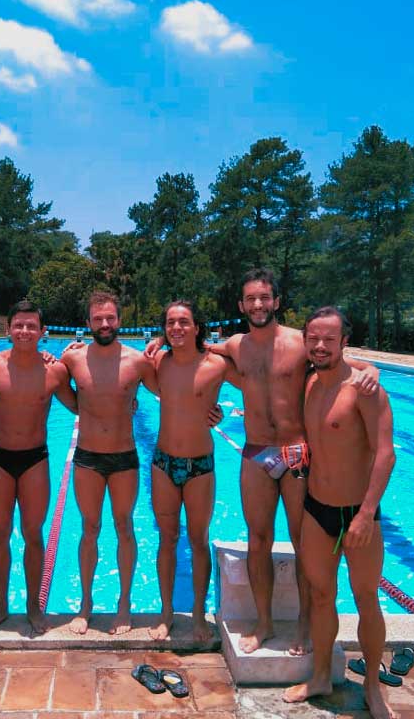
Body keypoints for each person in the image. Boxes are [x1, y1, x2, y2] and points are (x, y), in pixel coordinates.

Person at [145, 269, 378, 655]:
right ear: (241, 305)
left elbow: (342, 364)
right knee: (258, 540)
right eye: (250, 298)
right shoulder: (236, 346)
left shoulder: (301, 343)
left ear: (276, 302)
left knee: (304, 543)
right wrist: (161, 338)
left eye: (264, 297)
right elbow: (194, 350)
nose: (257, 304)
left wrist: (373, 370)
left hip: (296, 453)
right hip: (254, 453)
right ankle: (264, 623)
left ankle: (305, 626)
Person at [284, 307, 396, 719]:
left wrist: (367, 514)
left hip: (357, 513)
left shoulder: (364, 390)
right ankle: (319, 678)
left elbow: (386, 455)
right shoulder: (311, 383)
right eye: (313, 338)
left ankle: (372, 688)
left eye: (329, 339)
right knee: (319, 595)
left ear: (345, 341)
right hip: (316, 509)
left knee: (367, 598)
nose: (319, 345)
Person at [0, 300, 77, 635]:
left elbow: (83, 405)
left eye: (32, 326)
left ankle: (32, 606)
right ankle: (0, 606)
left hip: (35, 460)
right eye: (19, 325)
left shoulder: (55, 371)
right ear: (10, 329)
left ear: (43, 333)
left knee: (33, 534)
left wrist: (126, 400)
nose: (25, 331)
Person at [60, 291, 159, 635]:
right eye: (98, 319)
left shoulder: (137, 361)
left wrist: (210, 408)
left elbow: (174, 390)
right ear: (87, 323)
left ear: (119, 320)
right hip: (87, 458)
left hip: (124, 458)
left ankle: (124, 603)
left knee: (124, 527)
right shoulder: (73, 360)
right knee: (89, 529)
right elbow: (55, 385)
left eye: (110, 318)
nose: (104, 324)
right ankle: (85, 604)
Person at [149, 300, 238, 643]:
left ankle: (199, 615)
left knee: (198, 541)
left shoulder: (217, 364)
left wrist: (225, 414)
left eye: (183, 322)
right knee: (167, 540)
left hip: (200, 465)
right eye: (171, 322)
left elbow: (258, 385)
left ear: (197, 326)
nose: (177, 328)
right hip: (163, 463)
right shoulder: (158, 360)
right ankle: (167, 613)